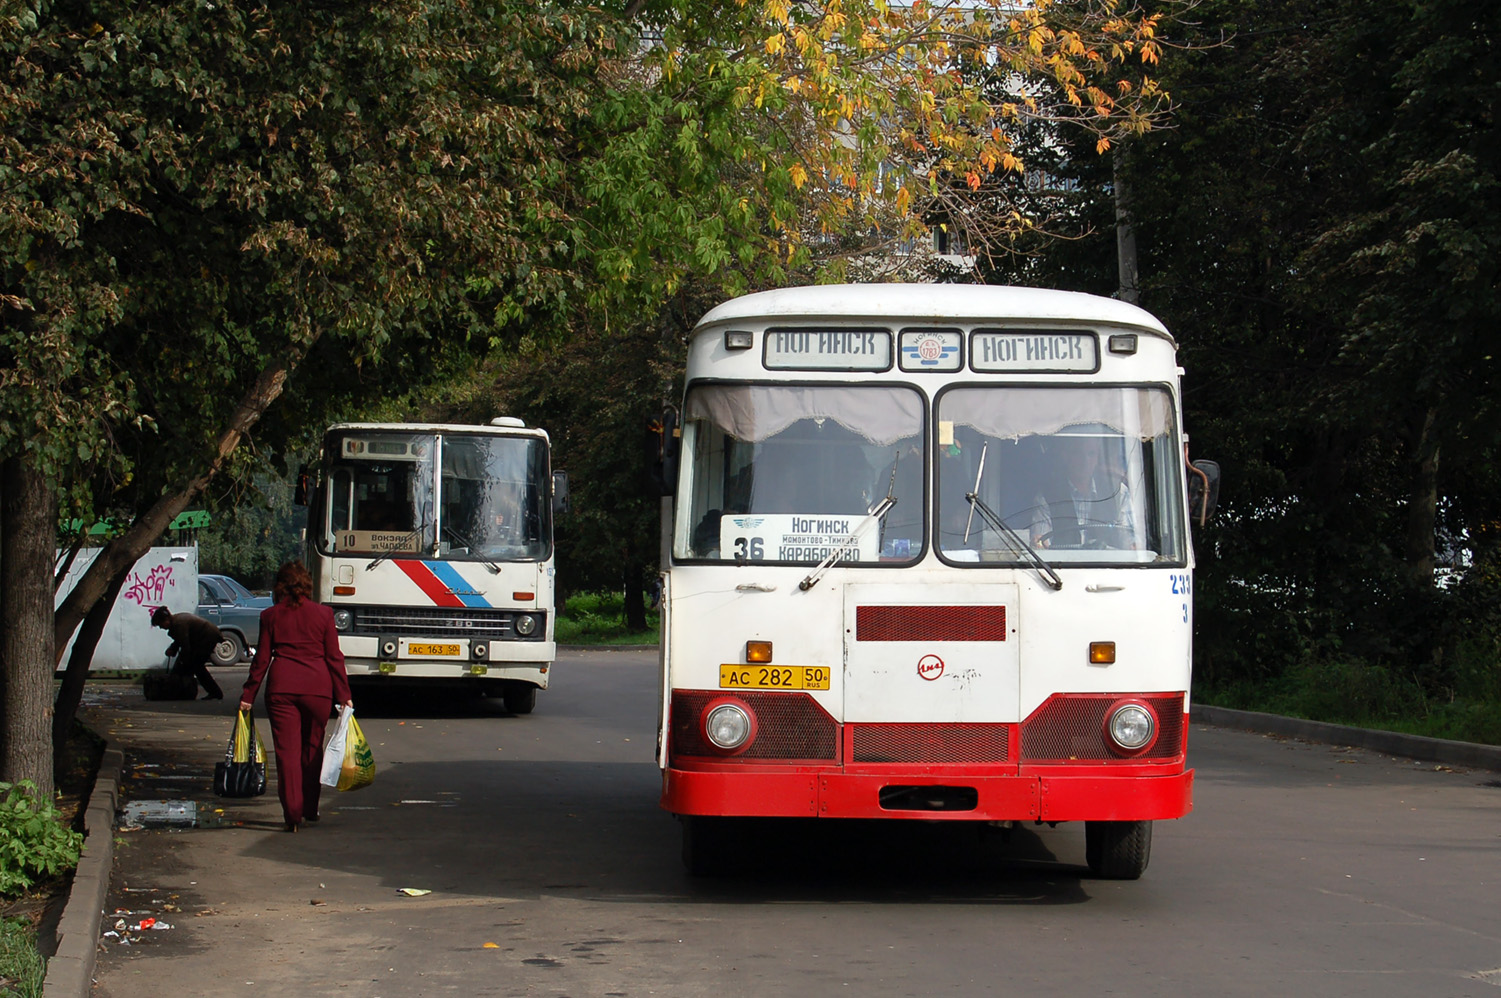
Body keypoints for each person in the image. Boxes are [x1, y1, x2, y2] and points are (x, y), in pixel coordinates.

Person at [239, 561, 354, 832]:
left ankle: (292, 815)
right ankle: (310, 808)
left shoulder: (270, 616)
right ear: (306, 585)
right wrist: (344, 694)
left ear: (279, 586)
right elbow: (334, 657)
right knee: (312, 750)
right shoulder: (323, 614)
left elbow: (262, 660)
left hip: (282, 689)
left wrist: (248, 694)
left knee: (287, 753)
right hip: (318, 689)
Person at [150, 606, 225, 700]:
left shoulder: (179, 624)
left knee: (197, 666)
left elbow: (185, 646)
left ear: (166, 619)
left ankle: (214, 693)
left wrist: (183, 661)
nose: (161, 628)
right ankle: (211, 692)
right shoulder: (176, 622)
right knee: (195, 666)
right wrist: (173, 649)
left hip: (207, 638)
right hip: (203, 638)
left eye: (160, 624)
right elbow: (180, 640)